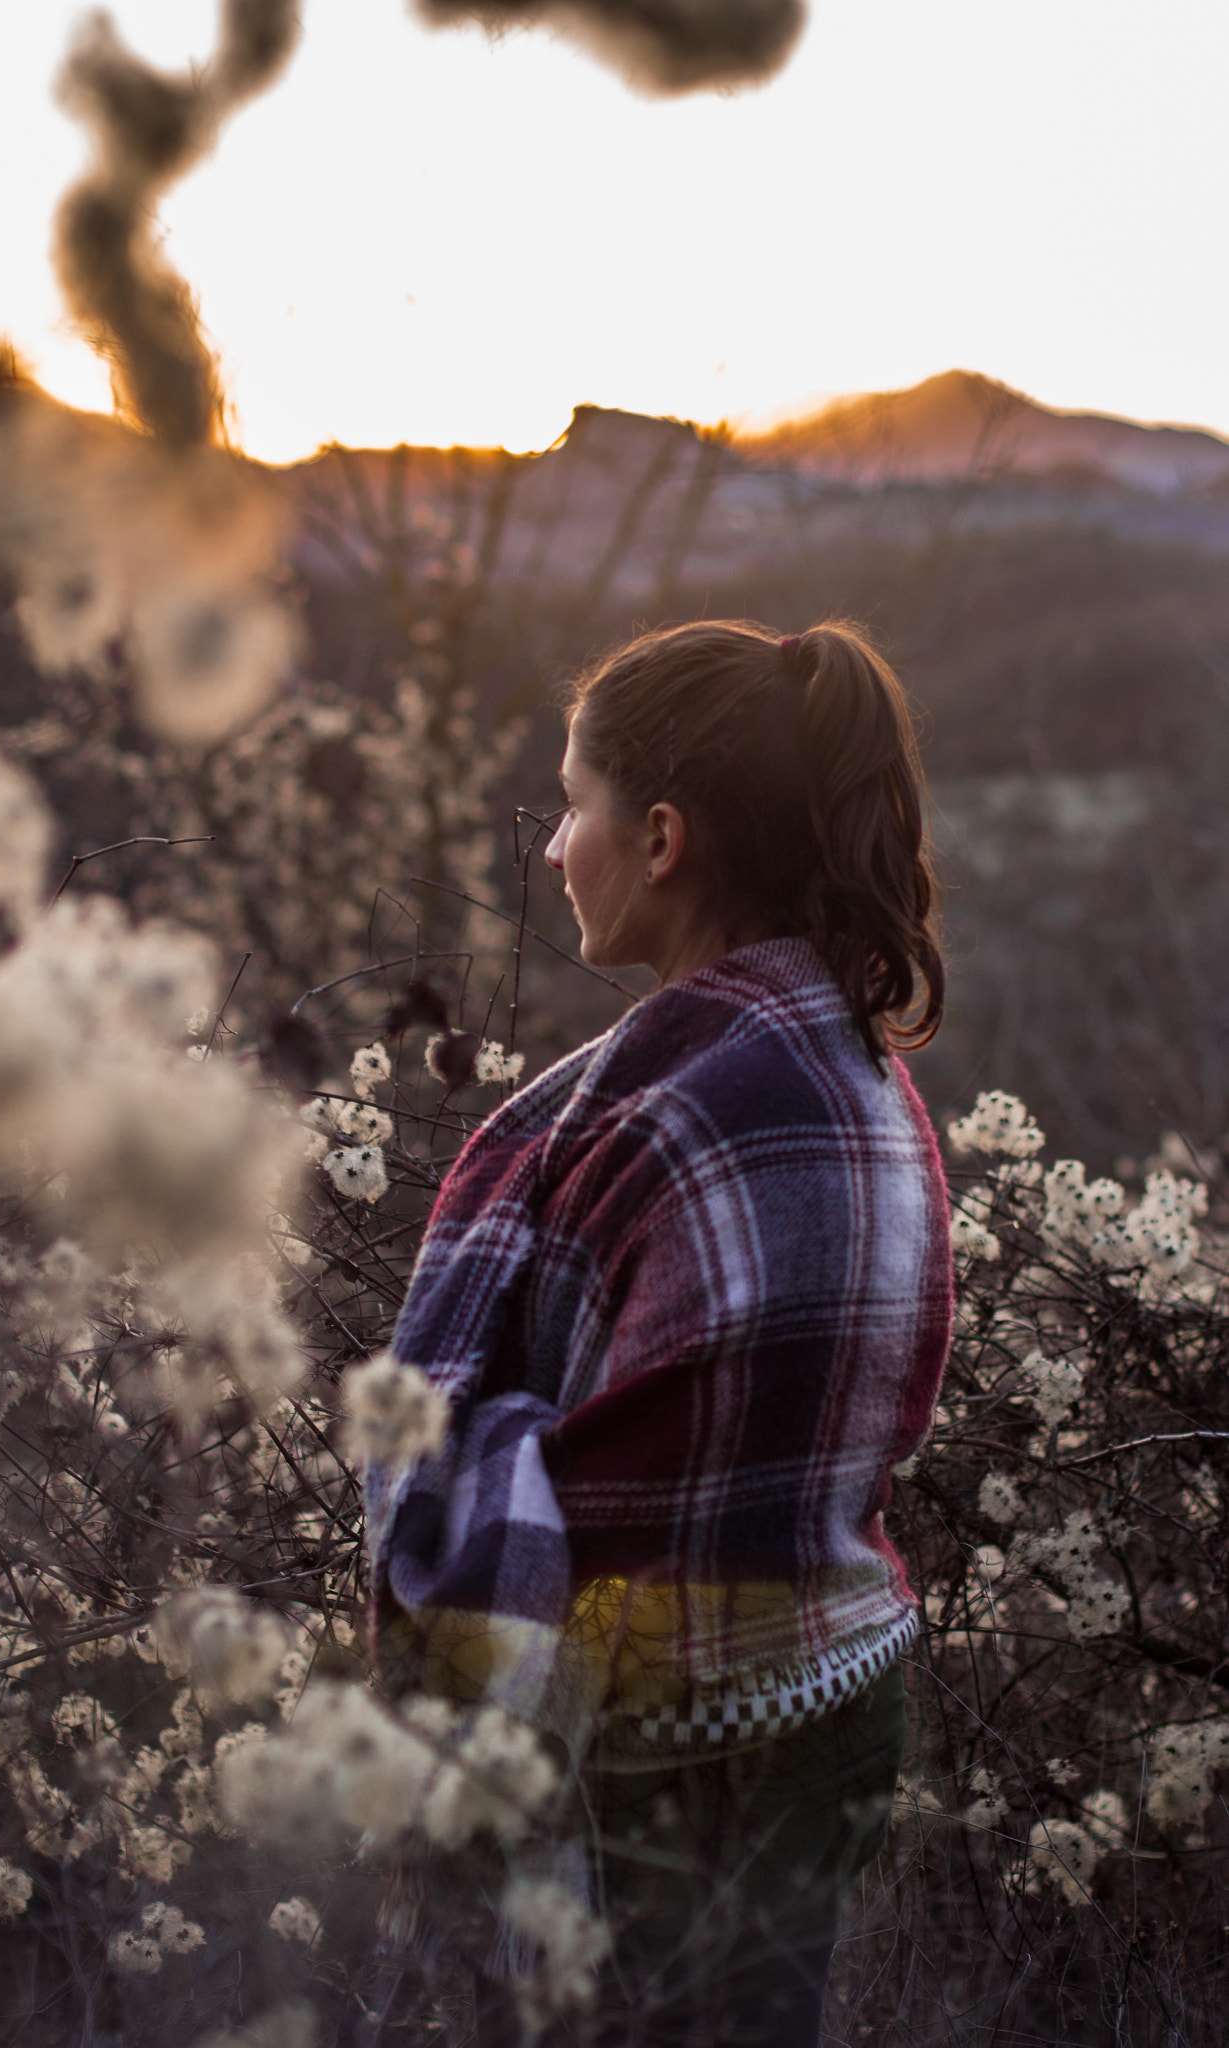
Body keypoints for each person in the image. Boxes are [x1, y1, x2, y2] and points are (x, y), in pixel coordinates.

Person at [365, 620, 954, 2046]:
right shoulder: (834, 1063)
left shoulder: (698, 1103)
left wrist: (437, 1469)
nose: (557, 845)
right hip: (822, 1692)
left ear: (663, 837)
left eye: (575, 805)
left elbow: (608, 1488)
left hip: (679, 1752)